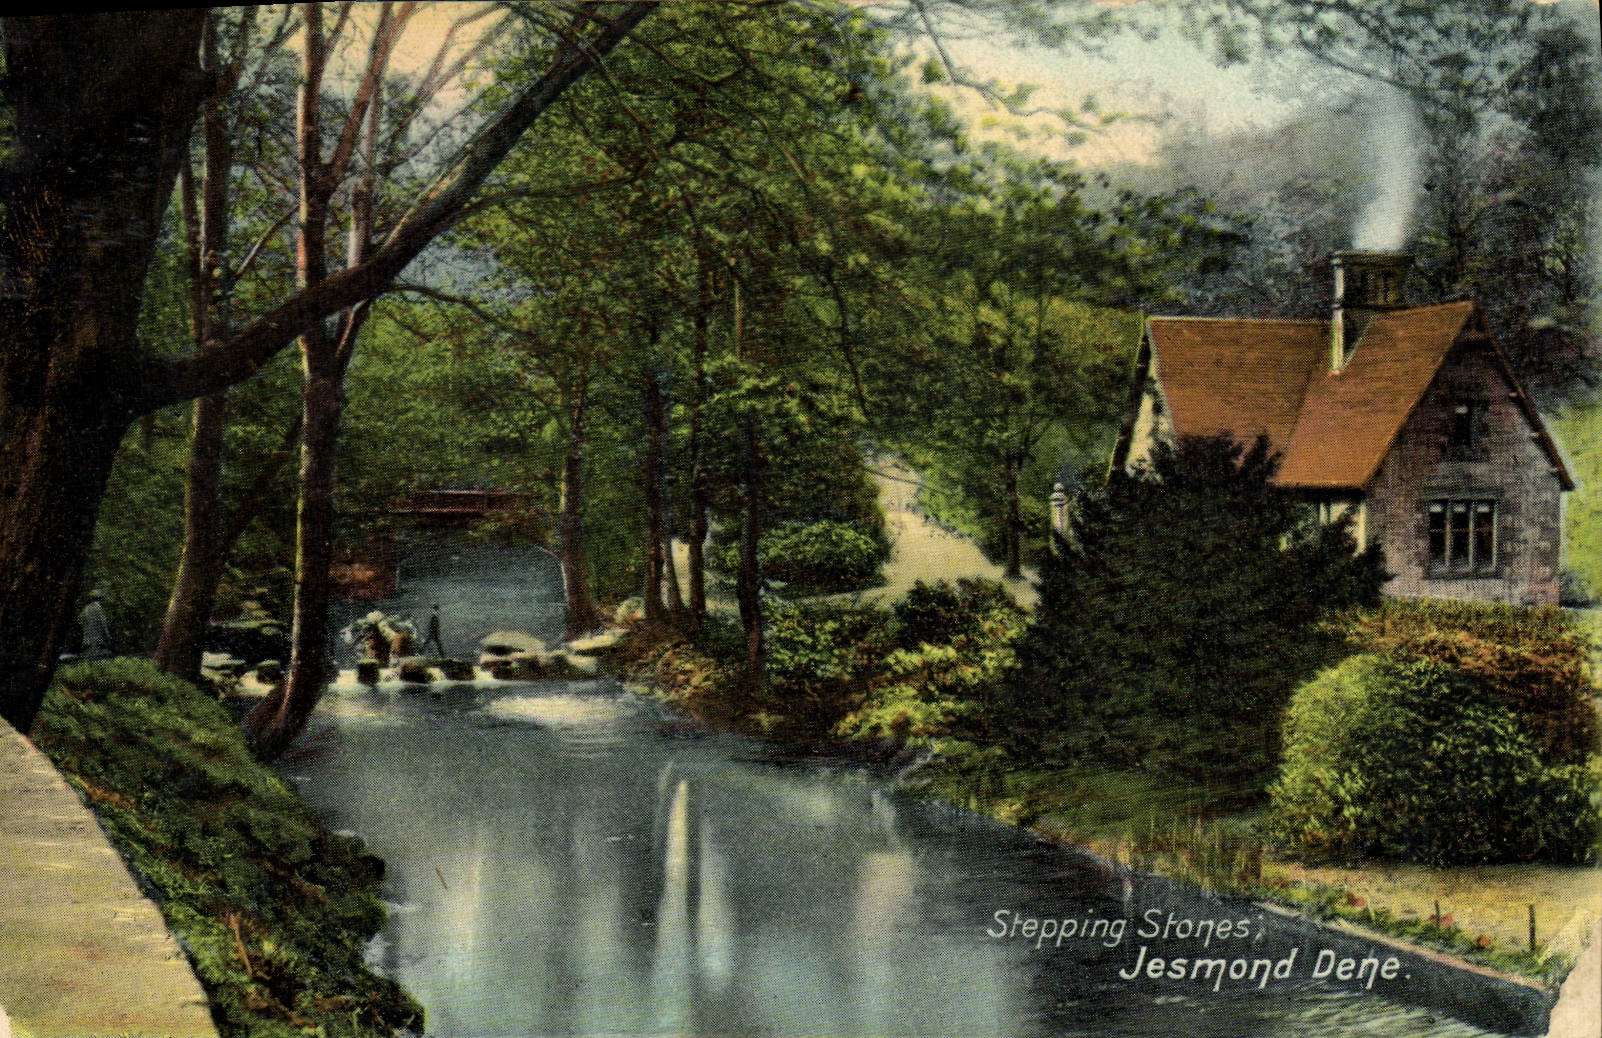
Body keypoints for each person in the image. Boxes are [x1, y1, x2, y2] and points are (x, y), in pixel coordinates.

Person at [80, 589, 112, 660]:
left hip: (88, 640)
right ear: (100, 599)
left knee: (88, 662)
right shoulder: (99, 609)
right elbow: (104, 625)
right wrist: (108, 637)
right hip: (98, 641)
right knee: (99, 662)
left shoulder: (86, 608)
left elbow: (81, 621)